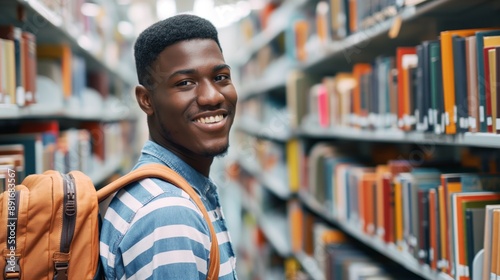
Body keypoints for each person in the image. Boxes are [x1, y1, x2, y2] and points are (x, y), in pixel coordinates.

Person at [99, 14, 238, 279]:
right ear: (146, 100)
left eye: (221, 77)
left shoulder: (173, 190)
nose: (213, 96)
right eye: (185, 83)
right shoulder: (169, 214)